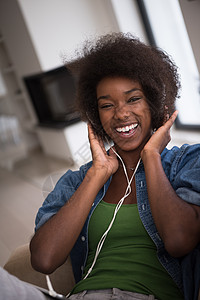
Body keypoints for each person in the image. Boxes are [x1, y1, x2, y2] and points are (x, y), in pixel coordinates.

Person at [1, 32, 200, 300]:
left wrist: (152, 155)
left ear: (154, 103)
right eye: (107, 105)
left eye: (133, 99)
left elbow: (178, 241)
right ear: (95, 115)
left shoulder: (186, 162)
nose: (120, 114)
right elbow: (44, 259)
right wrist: (97, 173)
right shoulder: (77, 181)